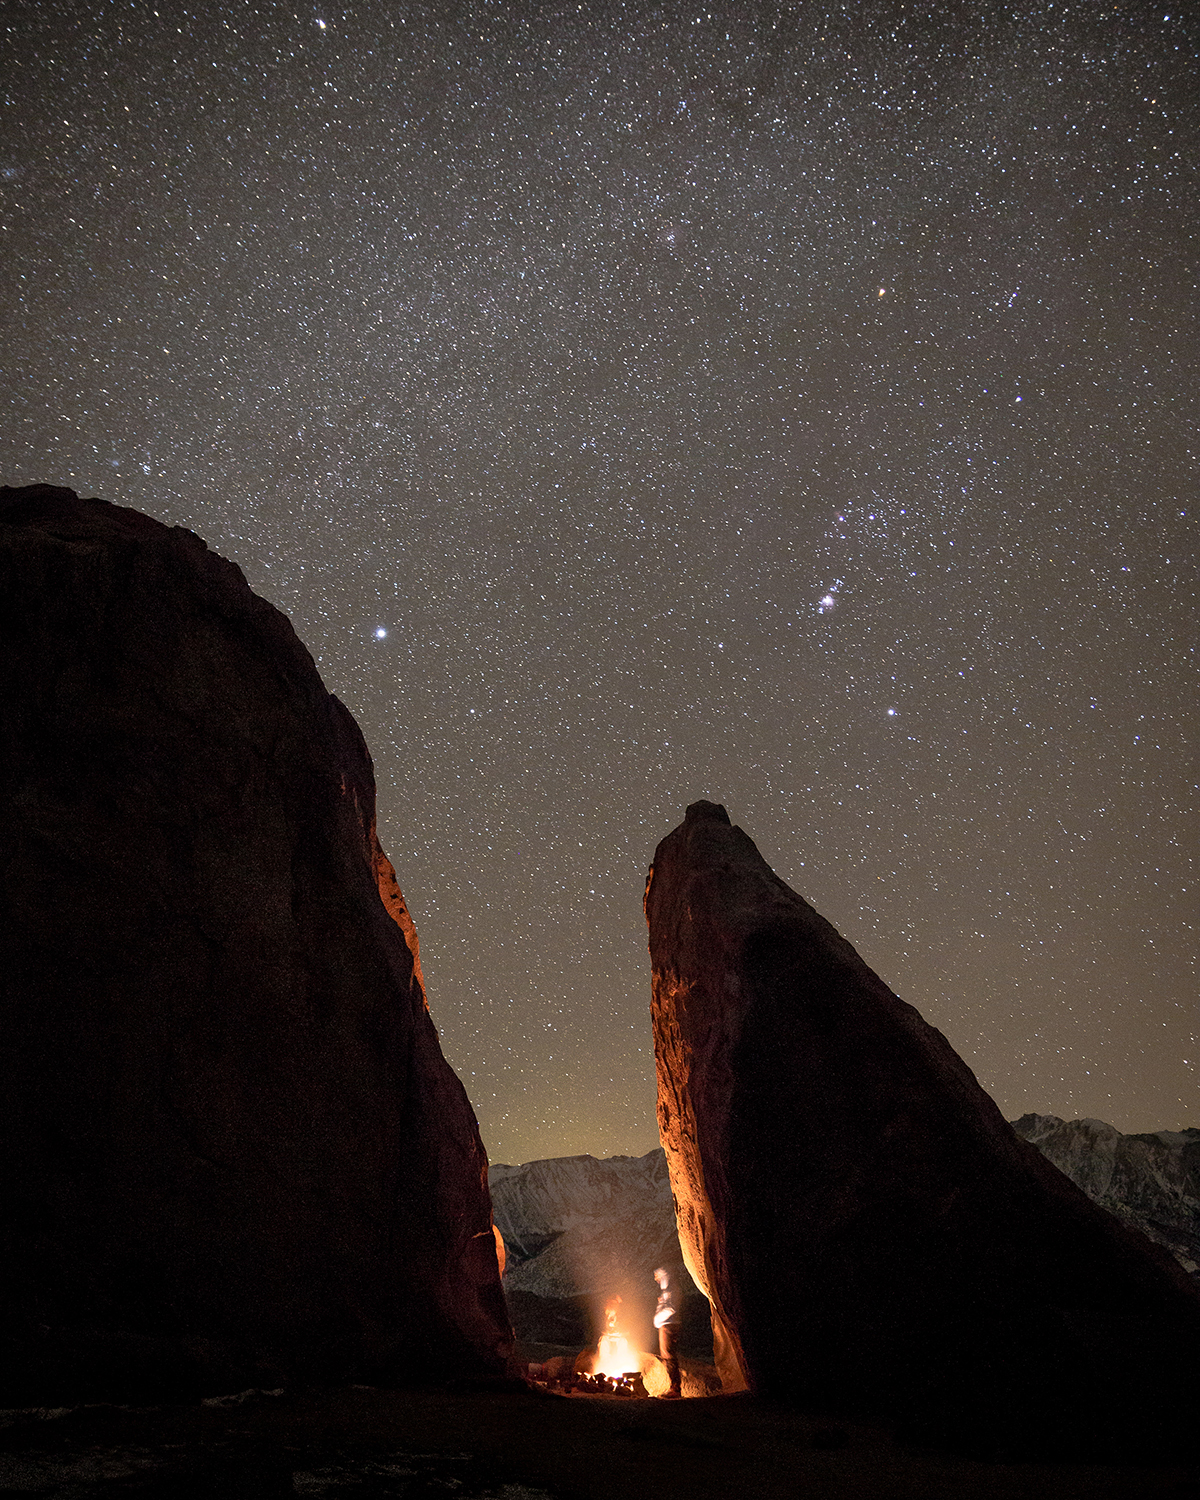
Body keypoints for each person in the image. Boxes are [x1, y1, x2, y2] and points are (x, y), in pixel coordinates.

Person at [653, 1266, 682, 1398]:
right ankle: (673, 1386)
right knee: (667, 1355)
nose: (656, 1279)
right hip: (668, 1324)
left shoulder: (669, 1289)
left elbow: (671, 1308)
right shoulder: (667, 1289)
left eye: (657, 1276)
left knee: (668, 1355)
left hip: (668, 1325)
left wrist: (657, 1320)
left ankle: (675, 1388)